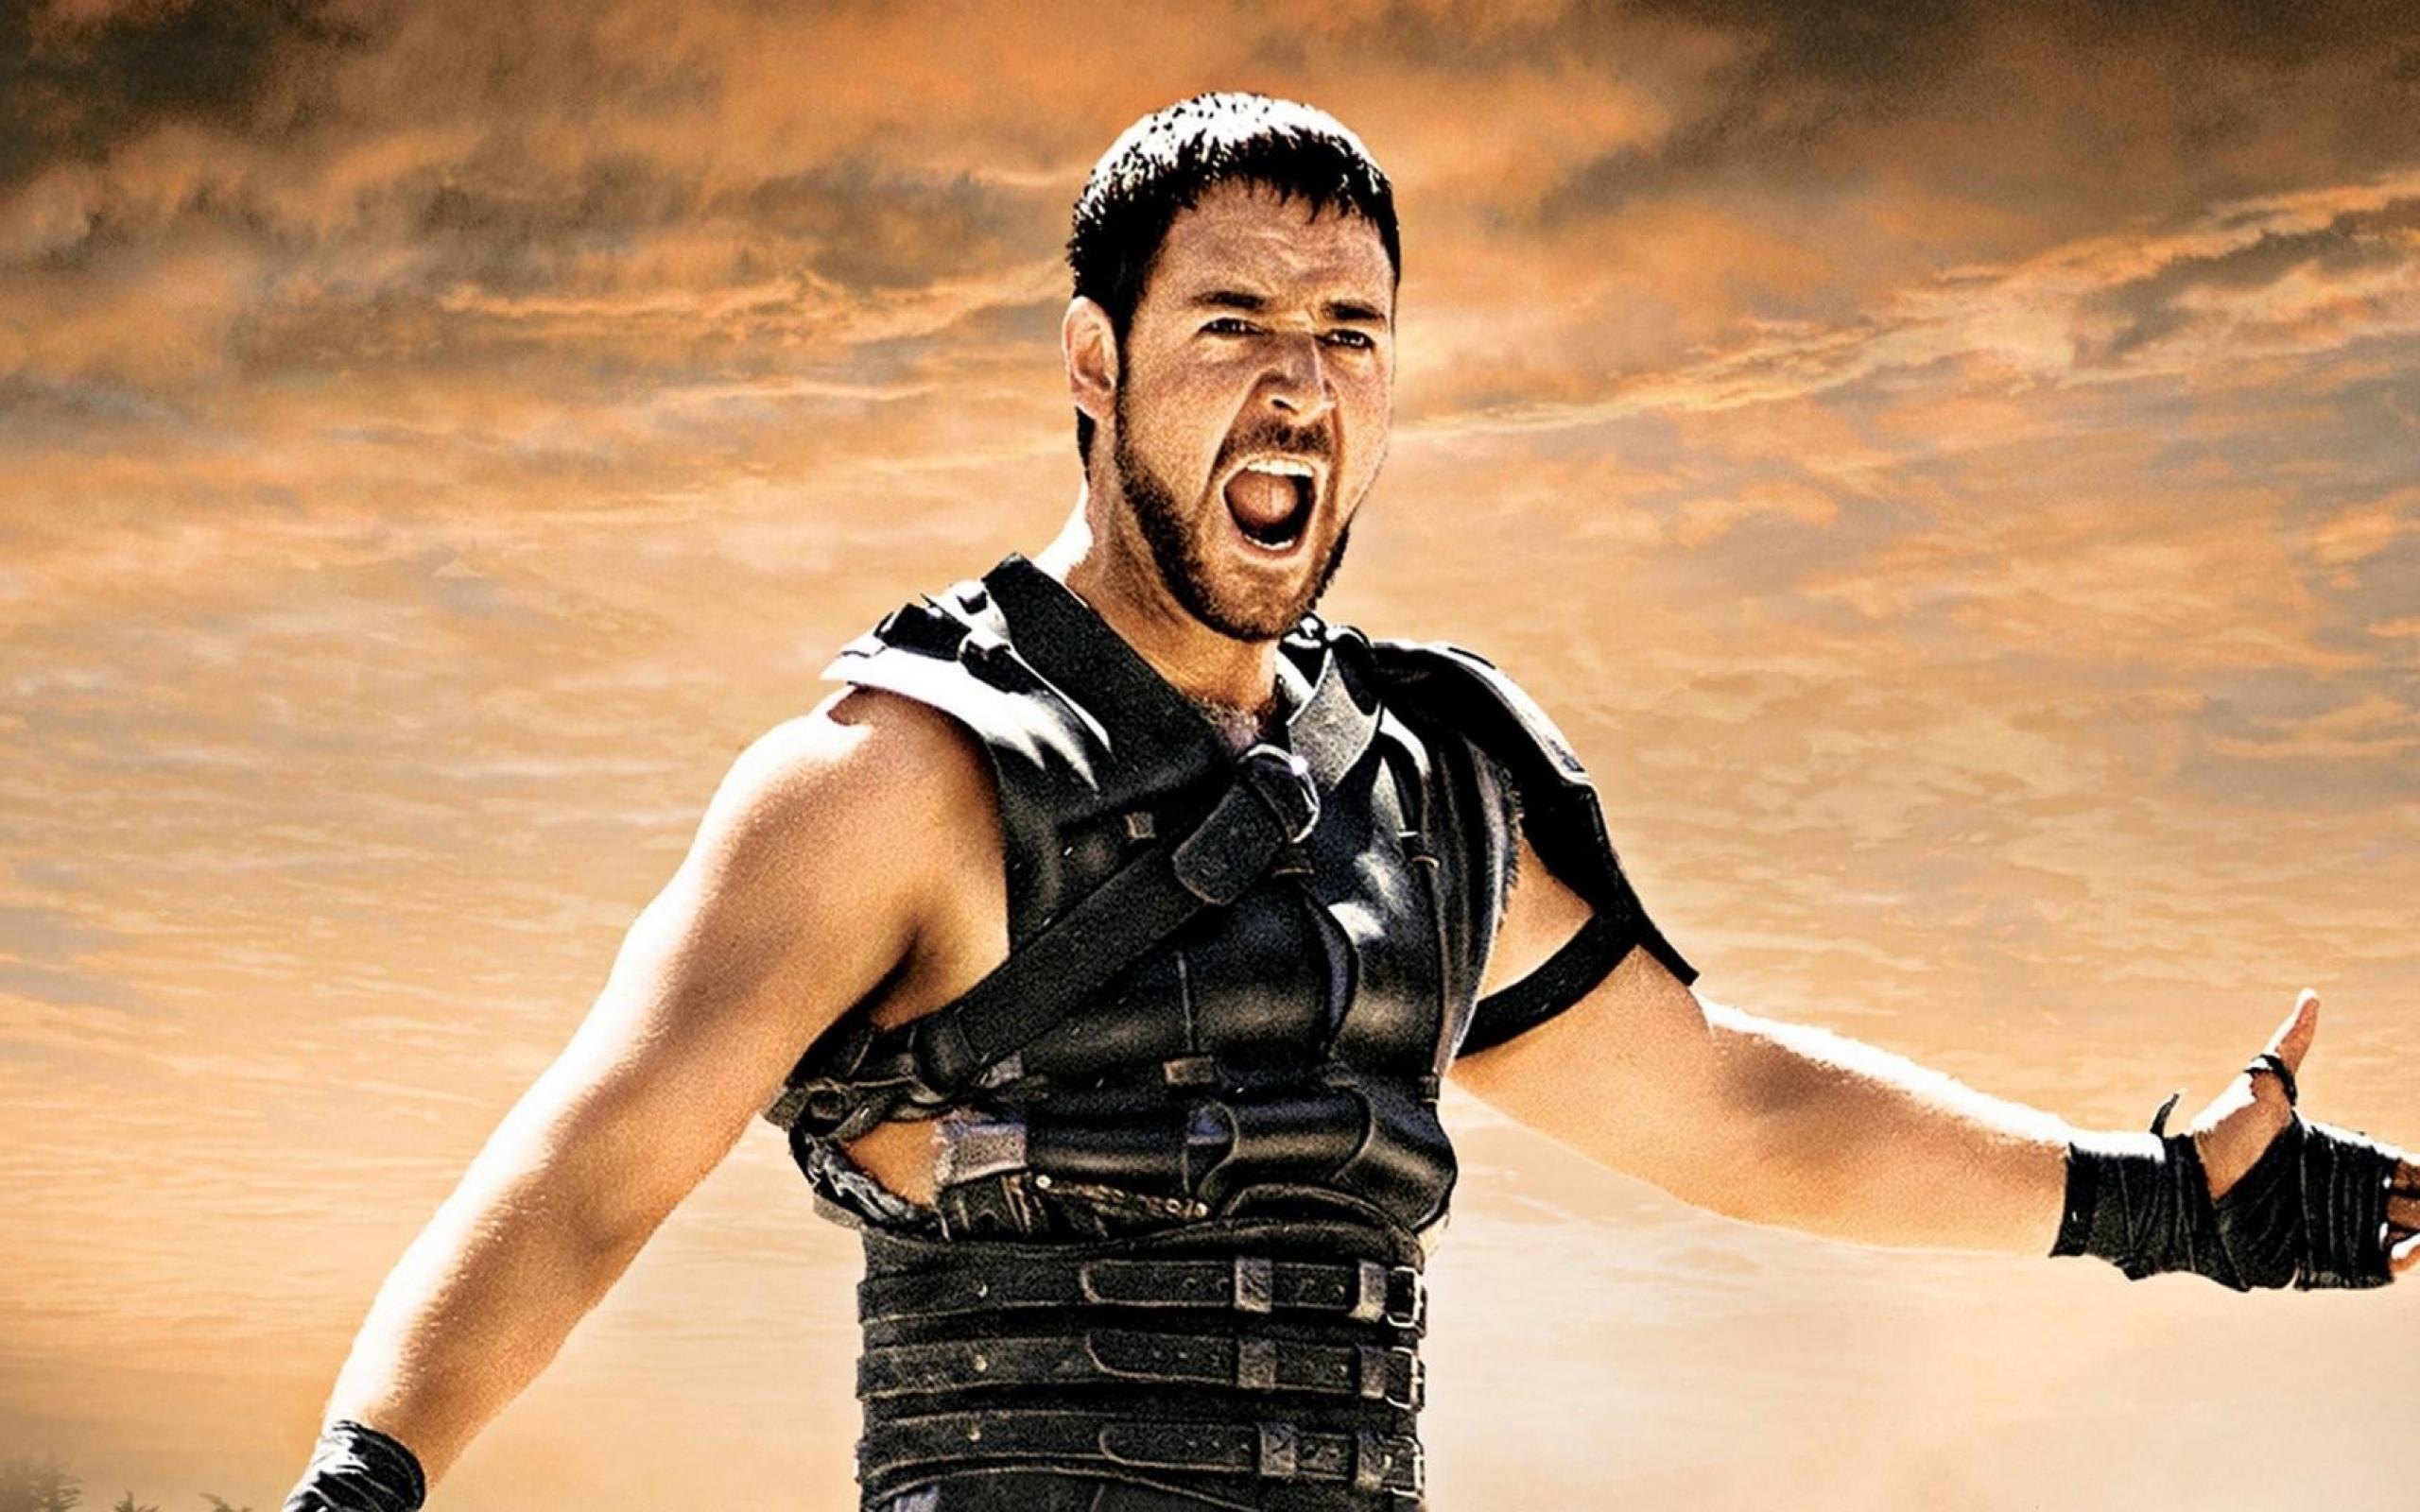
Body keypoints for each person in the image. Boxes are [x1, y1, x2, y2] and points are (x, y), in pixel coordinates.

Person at [284, 94, 2420, 1512]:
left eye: (1351, 335)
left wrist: (2164, 1203)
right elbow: (585, 1175)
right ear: (1095, 362)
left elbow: (1740, 1106)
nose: (1300, 382)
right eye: (1232, 323)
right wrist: (356, 1492)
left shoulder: (1426, 798)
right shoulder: (896, 781)